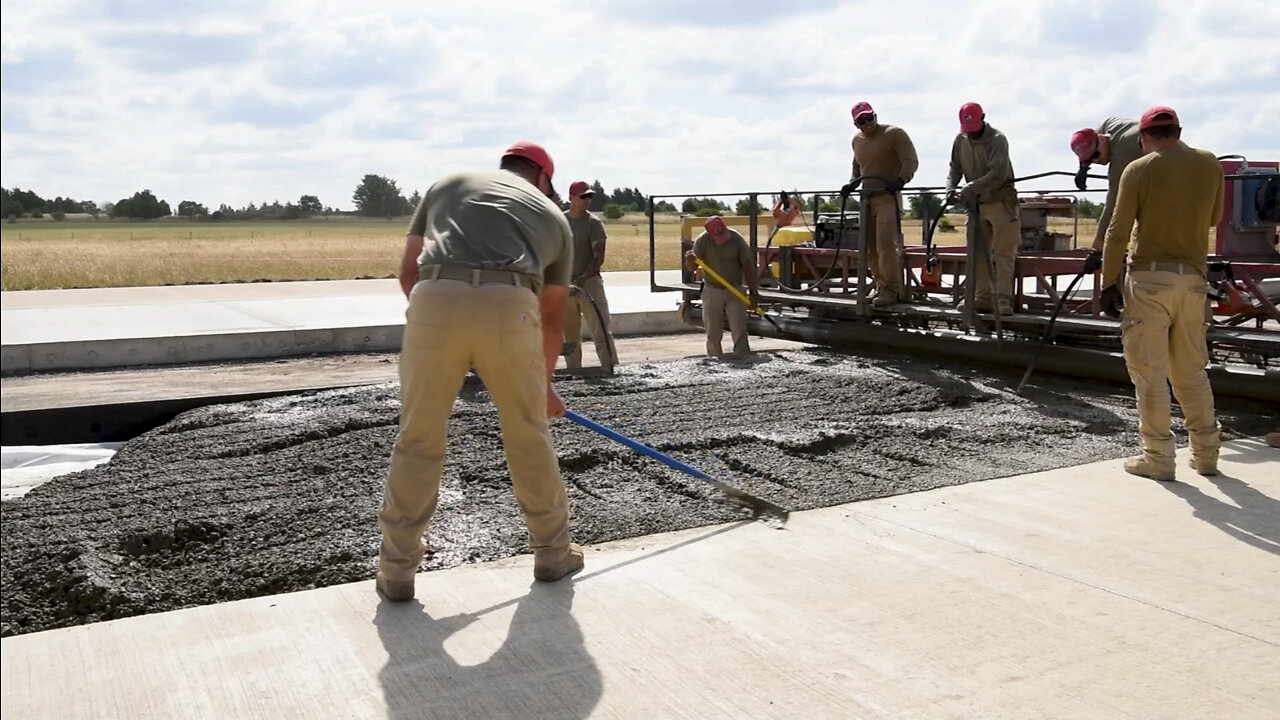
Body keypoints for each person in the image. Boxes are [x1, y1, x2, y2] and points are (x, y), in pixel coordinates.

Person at [376, 141, 584, 601]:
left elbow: (409, 272)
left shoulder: (447, 184)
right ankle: (552, 552)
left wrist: (447, 327)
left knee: (418, 437)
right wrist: (542, 386)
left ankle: (396, 570)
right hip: (511, 306)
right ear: (544, 178)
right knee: (528, 434)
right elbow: (551, 314)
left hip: (435, 295)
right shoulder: (553, 218)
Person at [1100, 106, 1224, 481]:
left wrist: (1107, 282)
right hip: (1192, 281)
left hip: (1150, 280)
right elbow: (1215, 219)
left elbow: (1117, 231)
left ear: (1143, 137)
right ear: (1179, 130)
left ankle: (1158, 457)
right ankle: (1206, 454)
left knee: (1149, 371)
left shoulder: (1138, 169)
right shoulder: (1209, 164)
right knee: (1190, 369)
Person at [945, 102, 1021, 316]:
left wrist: (970, 187)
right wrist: (950, 188)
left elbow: (999, 173)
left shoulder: (997, 140)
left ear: (983, 119)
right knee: (977, 253)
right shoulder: (960, 141)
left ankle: (1003, 300)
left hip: (1001, 203)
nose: (971, 134)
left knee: (1004, 253)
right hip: (976, 206)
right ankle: (983, 298)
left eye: (974, 128)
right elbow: (954, 168)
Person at [841, 101, 919, 307]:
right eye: (862, 121)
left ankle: (890, 289)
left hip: (888, 198)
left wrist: (901, 180)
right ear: (856, 124)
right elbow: (857, 166)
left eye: (869, 118)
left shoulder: (894, 134)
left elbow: (910, 160)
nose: (867, 123)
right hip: (867, 199)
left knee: (885, 244)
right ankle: (879, 285)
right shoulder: (857, 141)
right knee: (868, 248)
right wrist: (851, 184)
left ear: (875, 116)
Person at [562, 180, 618, 372]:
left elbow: (598, 257)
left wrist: (581, 279)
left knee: (600, 328)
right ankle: (573, 370)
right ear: (571, 198)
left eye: (589, 197)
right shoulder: (560, 222)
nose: (587, 200)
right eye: (583, 196)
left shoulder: (593, 223)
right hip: (565, 284)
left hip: (589, 283)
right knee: (569, 332)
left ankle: (608, 366)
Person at [1070, 116, 1144, 255]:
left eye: (1096, 155)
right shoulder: (1110, 124)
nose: (1095, 160)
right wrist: (1083, 167)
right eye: (1089, 159)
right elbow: (1095, 133)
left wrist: (1097, 246)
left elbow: (1112, 204)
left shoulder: (1120, 156)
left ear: (1102, 139)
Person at [684, 216, 755, 356]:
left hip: (735, 290)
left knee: (739, 327)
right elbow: (692, 267)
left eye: (723, 234)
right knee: (713, 329)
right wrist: (690, 261)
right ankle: (714, 358)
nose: (722, 239)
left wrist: (752, 292)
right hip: (712, 289)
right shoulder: (702, 241)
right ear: (710, 234)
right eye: (718, 236)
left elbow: (748, 265)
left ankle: (743, 356)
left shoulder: (736, 239)